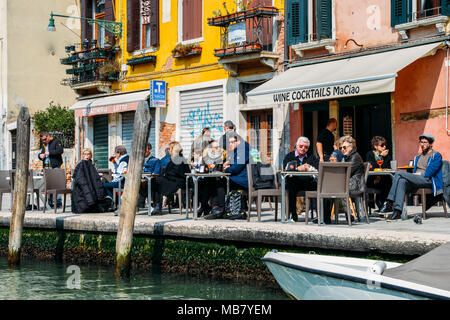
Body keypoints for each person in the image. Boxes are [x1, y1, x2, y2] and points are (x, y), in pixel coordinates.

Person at [380, 134, 443, 220]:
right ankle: (397, 211)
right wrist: (413, 176)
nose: (422, 144)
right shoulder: (418, 156)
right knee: (401, 181)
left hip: (429, 180)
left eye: (425, 142)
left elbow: (429, 173)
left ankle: (389, 202)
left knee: (398, 174)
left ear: (430, 144)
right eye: (421, 142)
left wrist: (416, 175)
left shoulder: (436, 155)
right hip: (417, 180)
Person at [283, 137, 319, 222]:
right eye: (301, 146)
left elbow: (317, 169)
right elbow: (286, 169)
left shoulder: (311, 157)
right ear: (296, 146)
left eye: (306, 147)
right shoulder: (289, 156)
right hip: (295, 182)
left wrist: (310, 167)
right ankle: (293, 215)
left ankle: (320, 216)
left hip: (308, 182)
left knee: (321, 187)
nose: (303, 148)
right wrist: (299, 168)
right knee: (290, 186)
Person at [151, 142, 190, 215]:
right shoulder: (174, 158)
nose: (169, 150)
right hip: (172, 180)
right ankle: (157, 205)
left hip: (178, 182)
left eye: (169, 148)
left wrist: (165, 174)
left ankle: (157, 206)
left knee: (157, 181)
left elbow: (176, 172)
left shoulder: (179, 158)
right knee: (155, 181)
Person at [72, 148, 109, 214]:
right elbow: (79, 178)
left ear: (91, 155)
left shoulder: (91, 164)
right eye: (85, 154)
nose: (86, 156)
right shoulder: (81, 164)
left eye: (88, 154)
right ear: (83, 155)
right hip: (82, 188)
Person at [339, 135, 365, 223]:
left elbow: (346, 173)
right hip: (349, 183)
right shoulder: (347, 157)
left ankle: (349, 216)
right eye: (341, 147)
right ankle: (324, 217)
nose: (342, 149)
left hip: (356, 185)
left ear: (351, 147)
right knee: (329, 189)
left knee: (340, 189)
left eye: (344, 147)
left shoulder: (355, 157)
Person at [198, 140, 227, 217]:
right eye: (216, 147)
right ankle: (205, 206)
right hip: (209, 179)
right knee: (199, 184)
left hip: (221, 179)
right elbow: (203, 168)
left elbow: (224, 169)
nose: (219, 149)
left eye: (219, 147)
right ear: (211, 149)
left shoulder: (224, 156)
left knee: (216, 184)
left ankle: (217, 208)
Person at [365, 136, 392, 210]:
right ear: (375, 146)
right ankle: (379, 203)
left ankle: (386, 203)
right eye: (382, 145)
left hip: (382, 178)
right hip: (372, 178)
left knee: (389, 180)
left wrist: (385, 157)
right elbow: (372, 167)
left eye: (385, 145)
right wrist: (380, 156)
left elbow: (387, 167)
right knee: (384, 182)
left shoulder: (387, 156)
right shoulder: (370, 154)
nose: (384, 147)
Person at [38, 131, 64, 208]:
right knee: (48, 185)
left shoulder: (56, 141)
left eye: (45, 139)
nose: (44, 141)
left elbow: (60, 151)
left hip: (55, 166)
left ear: (48, 136)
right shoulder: (44, 144)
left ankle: (58, 202)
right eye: (42, 140)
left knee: (56, 184)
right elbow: (41, 153)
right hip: (46, 167)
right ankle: (50, 202)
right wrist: (40, 156)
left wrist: (49, 153)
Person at [137, 143, 161, 209]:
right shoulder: (138, 161)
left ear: (149, 150)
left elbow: (156, 173)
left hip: (151, 180)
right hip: (140, 180)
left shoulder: (156, 160)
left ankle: (140, 204)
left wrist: (147, 178)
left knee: (145, 184)